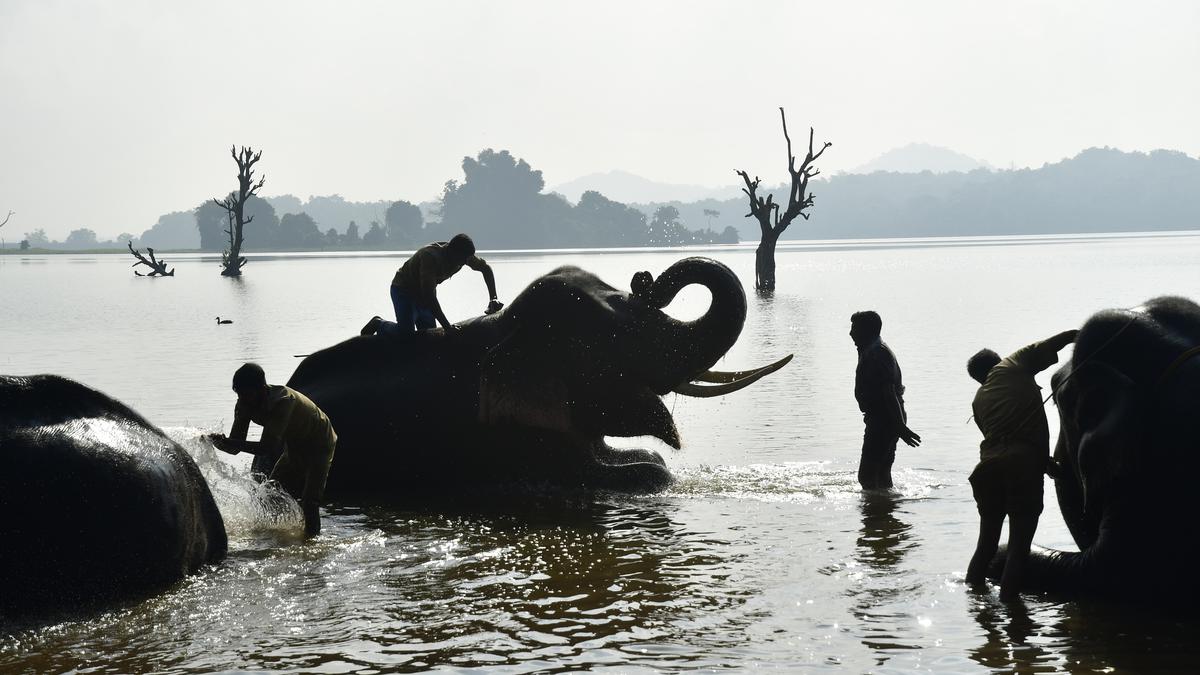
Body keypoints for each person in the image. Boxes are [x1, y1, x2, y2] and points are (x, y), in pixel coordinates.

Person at [964, 329, 1078, 601]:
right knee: (1018, 546)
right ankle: (1013, 613)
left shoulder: (979, 400)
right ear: (998, 361)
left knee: (986, 546)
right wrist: (1085, 336)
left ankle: (975, 608)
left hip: (987, 469)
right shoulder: (1013, 364)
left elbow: (1002, 440)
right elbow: (1062, 339)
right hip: (1021, 467)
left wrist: (1047, 464)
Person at [207, 363, 337, 537]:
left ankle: (312, 541)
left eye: (247, 394)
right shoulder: (243, 404)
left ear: (261, 389)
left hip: (320, 441)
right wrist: (216, 441)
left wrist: (231, 442)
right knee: (271, 492)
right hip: (294, 445)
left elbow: (267, 448)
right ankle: (278, 531)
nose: (243, 399)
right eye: (238, 394)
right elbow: (234, 448)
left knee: (310, 501)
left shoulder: (282, 401)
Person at [361, 233, 503, 336]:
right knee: (406, 334)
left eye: (467, 260)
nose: (464, 263)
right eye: (462, 259)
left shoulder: (464, 257)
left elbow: (486, 269)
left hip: (424, 293)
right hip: (403, 290)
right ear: (452, 252)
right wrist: (447, 327)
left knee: (429, 336)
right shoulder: (430, 257)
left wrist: (493, 298)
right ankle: (379, 323)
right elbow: (429, 296)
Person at [850, 310, 921, 490]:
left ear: (867, 331)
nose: (851, 333)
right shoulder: (872, 349)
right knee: (880, 471)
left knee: (866, 475)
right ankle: (887, 510)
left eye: (855, 328)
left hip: (885, 418)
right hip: (886, 418)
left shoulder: (877, 353)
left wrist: (900, 426)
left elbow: (888, 392)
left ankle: (876, 513)